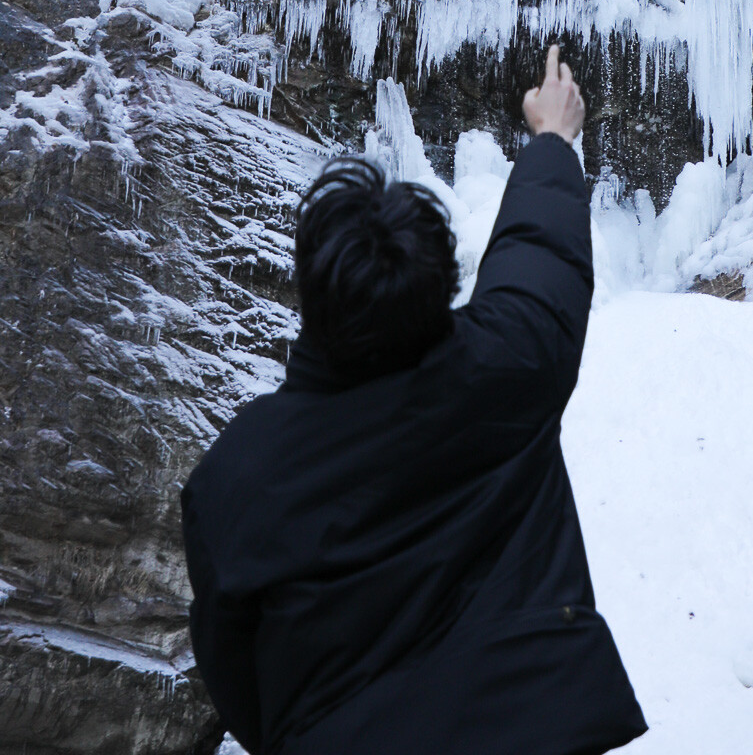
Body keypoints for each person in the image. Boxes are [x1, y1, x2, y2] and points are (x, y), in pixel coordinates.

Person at [181, 45, 647, 755]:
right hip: (536, 723)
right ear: (439, 286)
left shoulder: (235, 478)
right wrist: (553, 138)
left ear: (310, 292)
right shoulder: (511, 365)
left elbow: (234, 671)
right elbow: (540, 258)